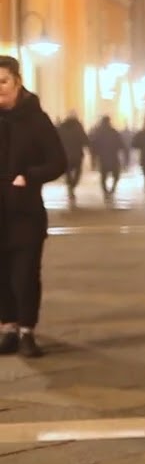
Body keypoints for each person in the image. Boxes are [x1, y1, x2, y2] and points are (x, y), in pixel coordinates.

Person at [0, 56, 66, 359]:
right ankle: (8, 327)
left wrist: (30, 176)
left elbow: (58, 162)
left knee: (25, 274)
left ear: (17, 81)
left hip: (25, 212)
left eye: (3, 81)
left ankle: (27, 330)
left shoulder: (36, 119)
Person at [88, 115, 125, 201]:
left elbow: (93, 146)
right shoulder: (114, 132)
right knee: (116, 175)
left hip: (103, 158)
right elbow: (121, 144)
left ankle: (106, 192)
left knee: (103, 176)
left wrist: (93, 158)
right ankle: (112, 190)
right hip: (113, 157)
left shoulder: (98, 133)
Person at [56, 110, 90, 205]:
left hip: (65, 154)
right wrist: (88, 145)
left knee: (67, 172)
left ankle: (70, 186)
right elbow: (84, 139)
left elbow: (56, 139)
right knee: (78, 171)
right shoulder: (78, 127)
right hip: (77, 154)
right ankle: (73, 185)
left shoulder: (61, 127)